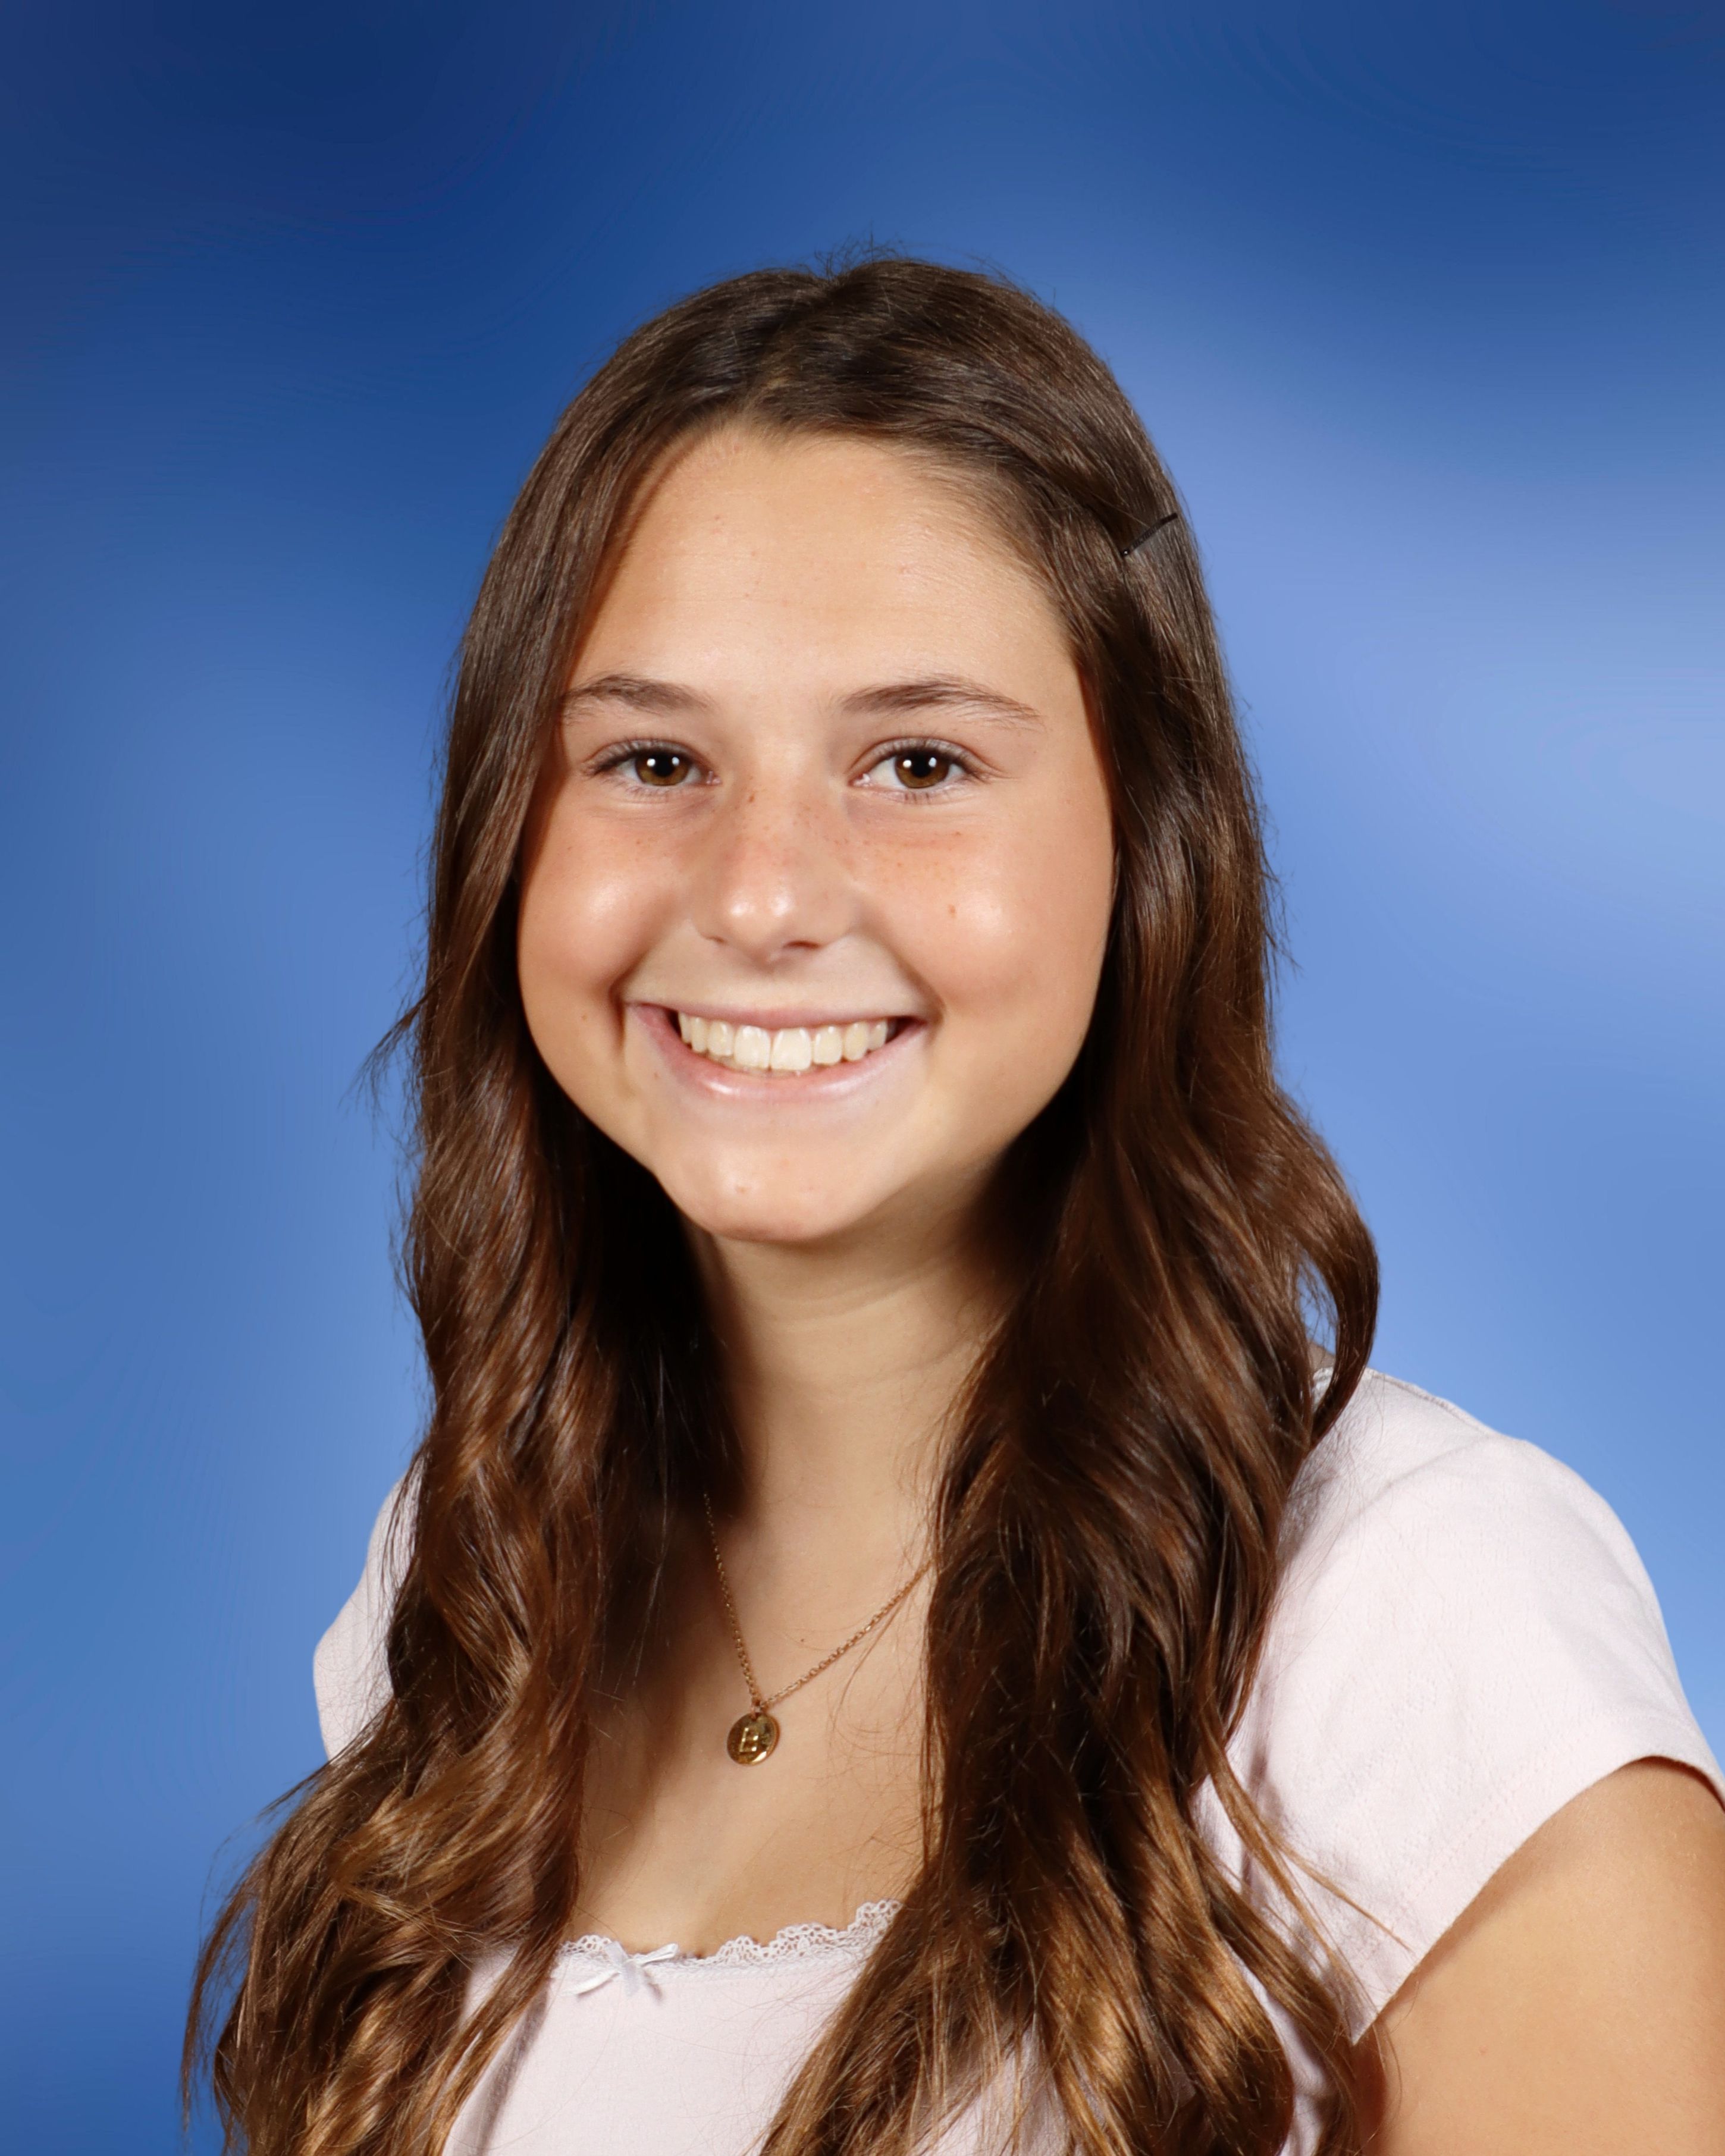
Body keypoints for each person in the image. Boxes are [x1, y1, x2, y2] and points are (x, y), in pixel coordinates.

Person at [188, 257, 1725, 2156]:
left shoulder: (1419, 1615)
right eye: (651, 759)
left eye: (918, 762)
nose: (759, 896)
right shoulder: (468, 1570)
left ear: (1147, 844)